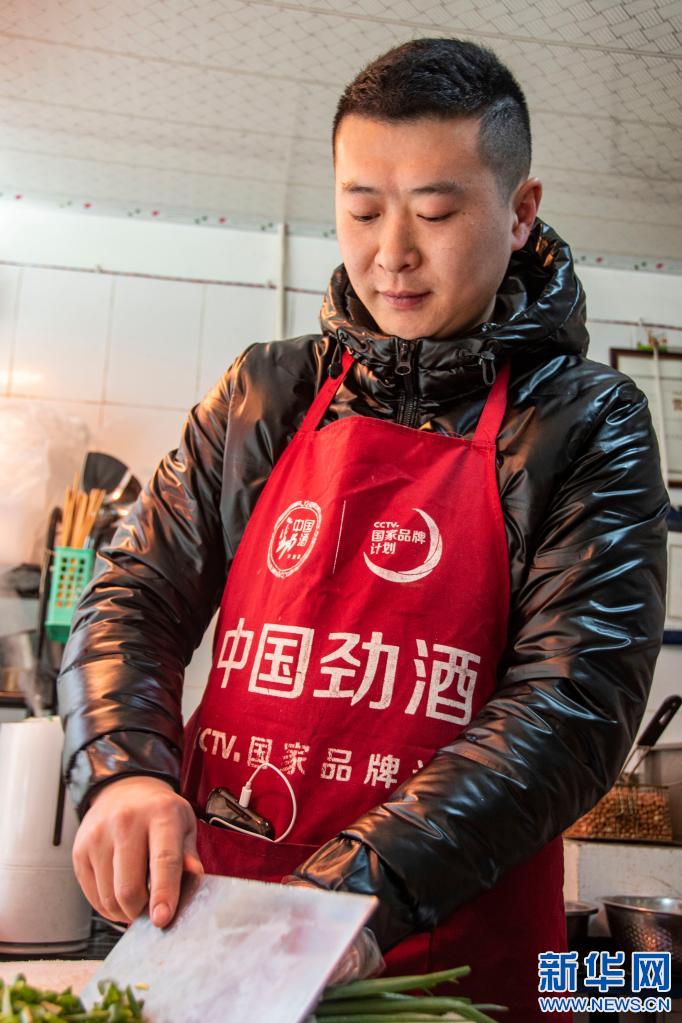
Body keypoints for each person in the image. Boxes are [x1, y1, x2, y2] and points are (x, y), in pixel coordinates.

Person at [58, 37, 668, 1021]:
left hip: (446, 973)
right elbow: (133, 593)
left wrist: (353, 892)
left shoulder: (586, 422)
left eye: (434, 212)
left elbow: (574, 705)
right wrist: (122, 769)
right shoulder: (266, 392)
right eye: (361, 209)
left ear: (520, 212)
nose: (392, 253)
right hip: (222, 928)